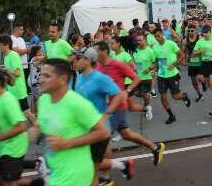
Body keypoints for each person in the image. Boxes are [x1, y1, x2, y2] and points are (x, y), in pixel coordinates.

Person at [28, 58, 110, 186]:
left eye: (47, 76)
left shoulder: (76, 103)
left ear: (63, 79)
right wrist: (35, 129)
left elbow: (103, 132)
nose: (40, 80)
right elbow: (42, 123)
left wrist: (66, 143)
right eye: (41, 75)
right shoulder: (43, 100)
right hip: (56, 172)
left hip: (76, 175)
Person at [73, 47, 136, 185]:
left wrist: (106, 115)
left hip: (98, 129)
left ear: (88, 60)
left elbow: (119, 96)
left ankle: (117, 170)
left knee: (89, 169)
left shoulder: (100, 78)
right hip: (84, 128)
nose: (74, 61)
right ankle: (123, 165)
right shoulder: (78, 77)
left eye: (78, 58)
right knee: (87, 166)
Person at [94, 41, 166, 159]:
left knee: (102, 136)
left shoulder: (118, 64)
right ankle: (155, 148)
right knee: (127, 134)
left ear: (104, 51)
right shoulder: (98, 66)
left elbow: (136, 78)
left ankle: (106, 174)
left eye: (96, 51)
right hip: (106, 105)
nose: (94, 54)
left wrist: (127, 91)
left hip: (118, 107)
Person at [152, 29, 191, 124]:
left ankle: (184, 96)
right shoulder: (155, 47)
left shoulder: (171, 44)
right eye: (155, 37)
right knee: (163, 96)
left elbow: (181, 55)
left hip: (173, 74)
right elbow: (157, 61)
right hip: (161, 75)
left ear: (162, 34)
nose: (157, 38)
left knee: (175, 97)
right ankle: (171, 116)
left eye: (159, 36)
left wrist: (174, 64)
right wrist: (154, 70)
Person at [0, 34, 37, 126]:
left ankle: (39, 129)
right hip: (12, 91)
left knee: (27, 113)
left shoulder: (13, 55)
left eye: (0, 45)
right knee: (20, 114)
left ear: (6, 44)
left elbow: (17, 73)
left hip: (18, 91)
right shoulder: (6, 56)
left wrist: (4, 70)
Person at [194, 25, 212, 119]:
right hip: (204, 64)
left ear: (210, 32)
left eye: (206, 32)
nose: (204, 34)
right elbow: (194, 52)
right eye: (203, 32)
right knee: (208, 85)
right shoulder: (200, 41)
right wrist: (200, 51)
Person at [133, 33, 157, 120]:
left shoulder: (149, 51)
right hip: (137, 77)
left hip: (146, 77)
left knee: (145, 94)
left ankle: (148, 108)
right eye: (137, 40)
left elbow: (155, 63)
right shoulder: (135, 50)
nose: (138, 42)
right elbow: (134, 62)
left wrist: (150, 68)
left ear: (145, 41)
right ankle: (147, 105)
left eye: (140, 40)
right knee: (135, 93)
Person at [182, 24, 205, 102]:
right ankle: (199, 94)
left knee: (200, 78)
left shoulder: (200, 39)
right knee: (193, 81)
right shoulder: (185, 40)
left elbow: (204, 49)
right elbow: (185, 52)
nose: (190, 32)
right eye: (189, 31)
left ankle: (203, 84)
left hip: (200, 61)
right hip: (191, 62)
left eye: (192, 30)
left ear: (196, 31)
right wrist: (185, 60)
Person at [27, 45, 45, 114]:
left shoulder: (38, 59)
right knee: (40, 99)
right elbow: (43, 59)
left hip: (33, 81)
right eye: (39, 52)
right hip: (35, 82)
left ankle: (33, 113)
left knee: (34, 98)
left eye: (41, 51)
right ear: (35, 53)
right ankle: (40, 114)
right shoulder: (35, 59)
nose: (41, 53)